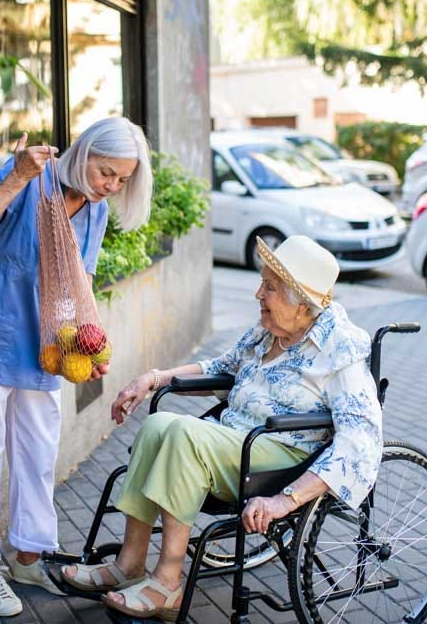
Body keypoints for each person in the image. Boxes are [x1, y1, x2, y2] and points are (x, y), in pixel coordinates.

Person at [61, 235, 383, 621]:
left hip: (283, 456)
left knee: (184, 434)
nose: (257, 294)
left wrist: (285, 501)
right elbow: (222, 368)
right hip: (235, 441)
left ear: (303, 304)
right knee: (159, 424)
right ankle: (129, 563)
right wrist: (154, 378)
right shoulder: (269, 330)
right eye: (262, 282)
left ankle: (168, 583)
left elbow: (360, 441)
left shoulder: (340, 349)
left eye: (270, 287)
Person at [0, 117, 153, 618]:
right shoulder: (32, 174)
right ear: (85, 152)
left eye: (121, 180)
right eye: (106, 173)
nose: (111, 187)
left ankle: (28, 553)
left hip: (49, 345)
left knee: (37, 451)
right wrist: (15, 177)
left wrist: (92, 346)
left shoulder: (94, 212)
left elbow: (82, 285)